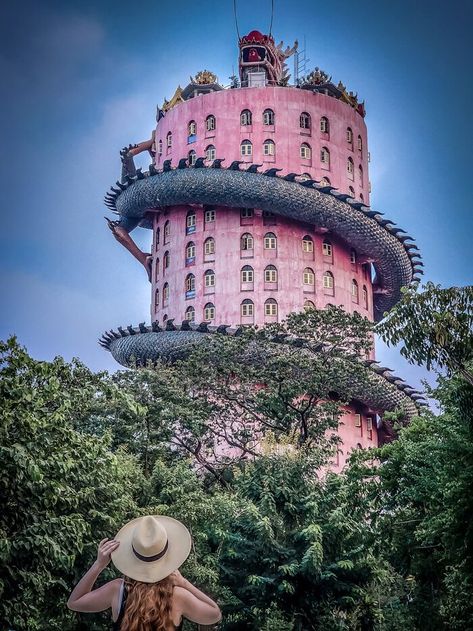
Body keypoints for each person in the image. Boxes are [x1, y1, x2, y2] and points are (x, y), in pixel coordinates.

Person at [67, 515, 222, 630]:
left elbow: (74, 602)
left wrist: (99, 565)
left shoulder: (117, 591)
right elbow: (214, 614)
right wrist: (184, 583)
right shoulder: (178, 596)